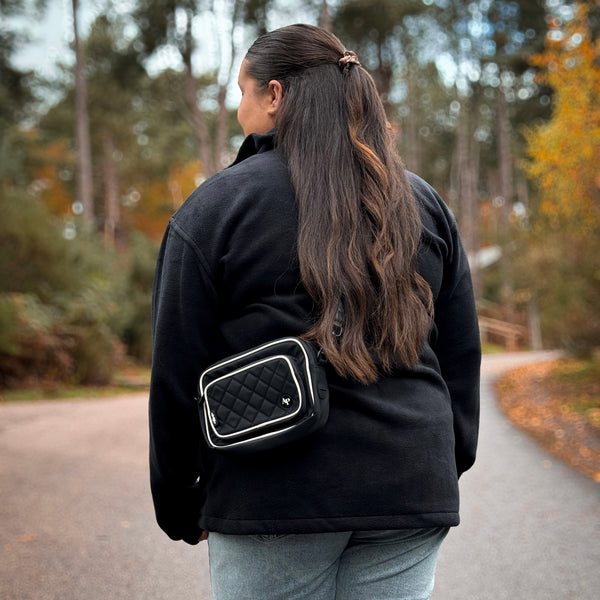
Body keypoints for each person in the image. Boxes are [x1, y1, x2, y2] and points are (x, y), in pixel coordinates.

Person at [149, 23, 480, 600]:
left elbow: (177, 371)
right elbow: (459, 352)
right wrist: (446, 459)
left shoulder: (216, 209)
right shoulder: (420, 202)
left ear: (274, 95)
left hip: (272, 491)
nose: (237, 108)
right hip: (409, 486)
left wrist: (181, 501)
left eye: (241, 92)